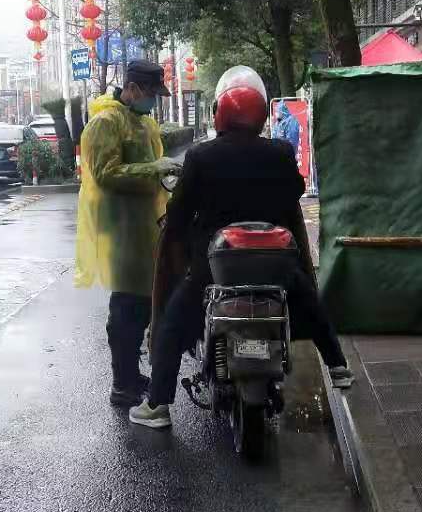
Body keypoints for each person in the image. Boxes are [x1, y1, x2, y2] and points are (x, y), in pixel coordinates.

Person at [129, 74, 353, 430]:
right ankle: (337, 366)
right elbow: (294, 190)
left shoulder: (201, 155)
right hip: (275, 261)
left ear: (221, 115)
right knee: (308, 297)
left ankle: (157, 404)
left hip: (218, 265)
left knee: (174, 321)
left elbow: (180, 212)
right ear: (260, 116)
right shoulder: (279, 152)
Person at [75, 59, 181, 406]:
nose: (153, 100)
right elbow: (106, 173)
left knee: (144, 303)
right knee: (125, 307)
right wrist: (153, 168)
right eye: (150, 92)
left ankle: (132, 375)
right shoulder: (105, 123)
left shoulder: (143, 122)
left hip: (145, 226)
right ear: (132, 88)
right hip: (120, 228)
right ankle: (122, 383)